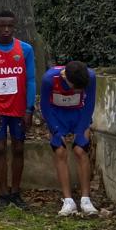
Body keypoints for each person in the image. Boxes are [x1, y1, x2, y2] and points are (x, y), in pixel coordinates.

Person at [0, 10, 36, 211]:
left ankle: (16, 191)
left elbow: (31, 80)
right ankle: (3, 192)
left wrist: (29, 109)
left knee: (18, 148)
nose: (6, 30)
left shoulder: (25, 49)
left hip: (18, 109)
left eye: (10, 26)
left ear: (14, 27)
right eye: (2, 26)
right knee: (0, 148)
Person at [40, 60, 98, 217]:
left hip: (79, 113)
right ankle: (68, 200)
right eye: (76, 87)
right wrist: (55, 130)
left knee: (81, 150)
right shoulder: (49, 79)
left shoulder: (90, 77)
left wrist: (81, 130)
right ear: (66, 78)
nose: (78, 90)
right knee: (60, 151)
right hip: (57, 115)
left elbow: (90, 104)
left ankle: (86, 200)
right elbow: (45, 106)